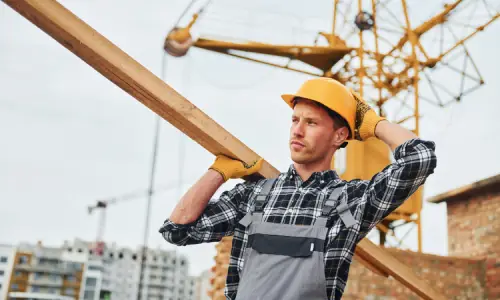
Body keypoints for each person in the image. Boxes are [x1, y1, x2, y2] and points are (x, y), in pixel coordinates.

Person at [159, 77, 437, 300]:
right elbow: (178, 230)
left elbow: (420, 158)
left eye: (311, 122)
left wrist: (376, 125)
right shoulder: (255, 196)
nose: (297, 130)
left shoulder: (349, 204)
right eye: (295, 120)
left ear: (340, 135)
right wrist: (218, 172)